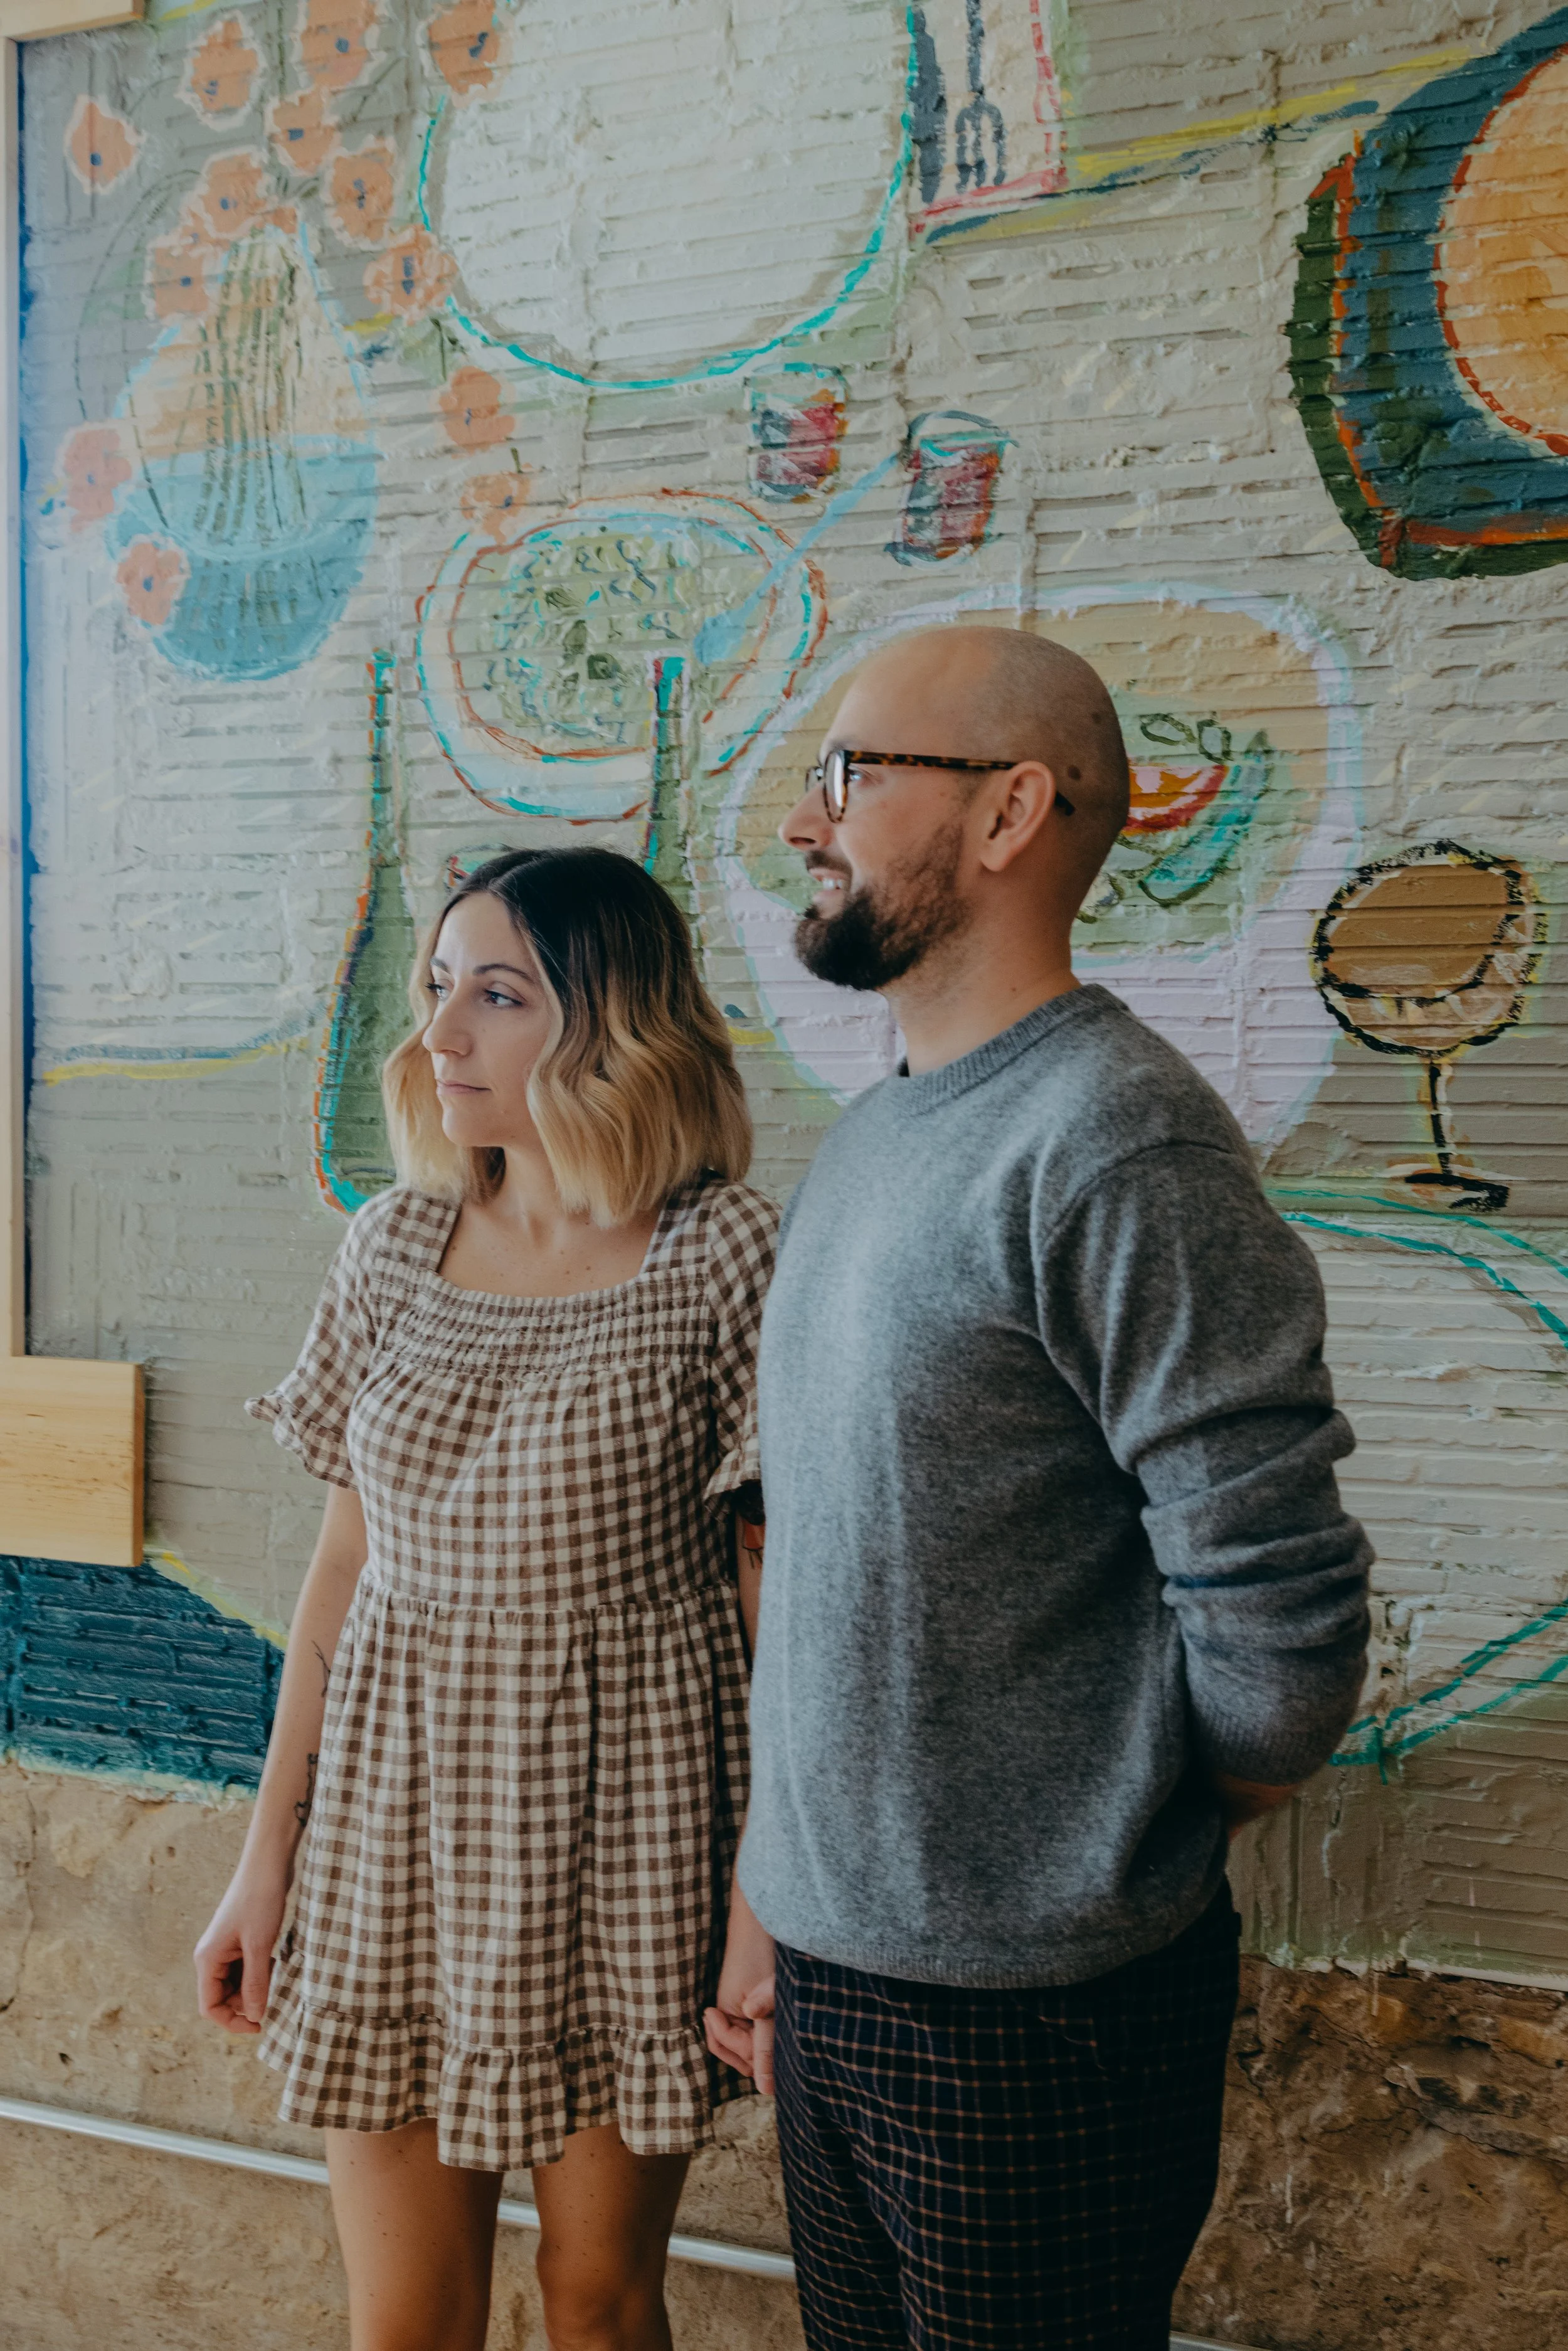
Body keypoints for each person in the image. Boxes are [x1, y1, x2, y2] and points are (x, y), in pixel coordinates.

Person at [705, 626, 1372, 2350]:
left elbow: (1279, 1627)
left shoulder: (1115, 1138)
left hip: (1039, 2010)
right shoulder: (867, 1144)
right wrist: (779, 1899)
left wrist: (1097, 1842)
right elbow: (827, 1559)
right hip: (838, 1979)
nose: (805, 819)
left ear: (1008, 812)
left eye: (850, 772)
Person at [196, 847, 776, 2351]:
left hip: (624, 1845)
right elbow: (340, 1567)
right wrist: (265, 1862)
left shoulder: (719, 1251)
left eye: (497, 994)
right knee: (404, 2321)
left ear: (612, 1026)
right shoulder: (391, 1242)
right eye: (438, 987)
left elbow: (782, 1592)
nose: (440, 1034)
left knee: (594, 2306)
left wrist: (761, 1900)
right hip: (385, 1838)